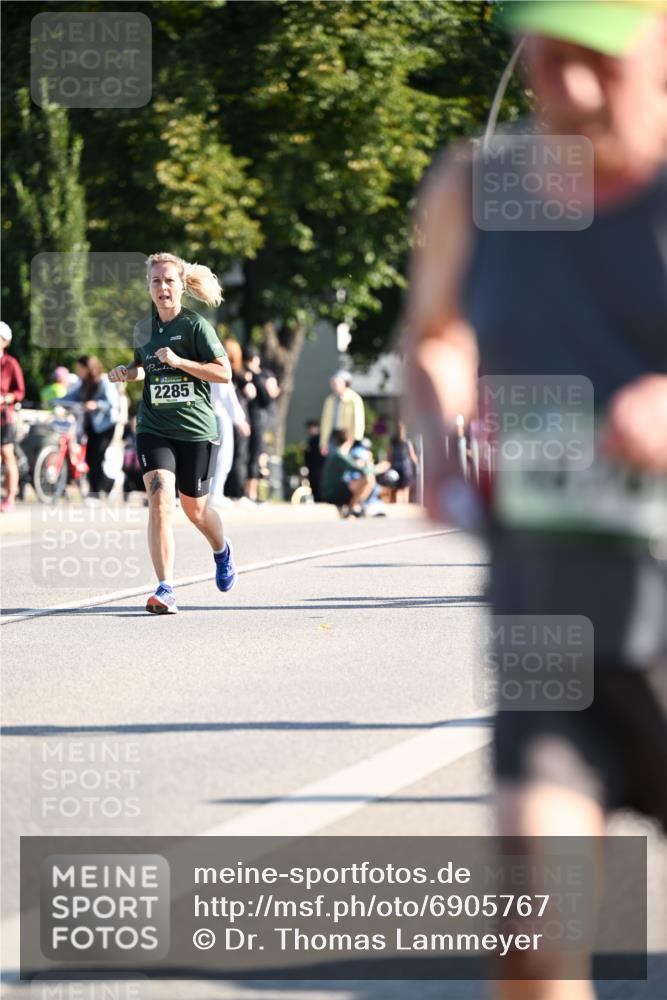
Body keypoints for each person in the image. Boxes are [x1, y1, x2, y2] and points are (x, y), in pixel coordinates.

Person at [406, 3, 667, 998]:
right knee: (529, 937)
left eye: (598, 62)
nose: (572, 90)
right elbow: (435, 332)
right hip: (552, 630)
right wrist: (440, 431)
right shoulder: (479, 189)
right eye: (547, 61)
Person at [109, 252, 236, 614]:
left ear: (181, 285)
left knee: (195, 511)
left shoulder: (196, 326)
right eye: (155, 281)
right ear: (148, 286)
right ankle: (165, 588)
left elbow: (224, 373)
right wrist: (125, 372)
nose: (162, 287)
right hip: (154, 427)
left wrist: (180, 362)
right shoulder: (142, 329)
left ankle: (221, 550)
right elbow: (143, 368)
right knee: (161, 498)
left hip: (195, 429)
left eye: (168, 280)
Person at [62, 355, 120, 497]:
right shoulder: (84, 383)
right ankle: (107, 484)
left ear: (88, 368)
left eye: (80, 368)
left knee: (97, 457)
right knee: (90, 458)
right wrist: (55, 401)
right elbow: (72, 397)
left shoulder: (104, 381)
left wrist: (96, 405)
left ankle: (95, 491)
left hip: (105, 426)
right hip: (92, 426)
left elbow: (112, 403)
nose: (78, 371)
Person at [243, 345, 280, 502]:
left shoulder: (265, 374)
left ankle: (253, 493)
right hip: (249, 418)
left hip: (261, 418)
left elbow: (273, 392)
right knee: (250, 455)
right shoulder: (244, 375)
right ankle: (248, 491)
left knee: (257, 454)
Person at [209, 376, 250, 505]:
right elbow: (225, 392)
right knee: (223, 455)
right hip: (219, 413)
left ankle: (212, 492)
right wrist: (239, 420)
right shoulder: (217, 361)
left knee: (212, 456)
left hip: (208, 413)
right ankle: (215, 492)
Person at [321, 427, 377, 516]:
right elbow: (361, 470)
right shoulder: (339, 455)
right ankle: (353, 506)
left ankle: (357, 505)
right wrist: (376, 467)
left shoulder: (341, 454)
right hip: (332, 493)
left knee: (368, 478)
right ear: (350, 440)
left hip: (336, 489)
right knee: (367, 478)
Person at [0, 321, 25, 513]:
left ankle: (10, 497)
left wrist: (6, 397)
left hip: (3, 415)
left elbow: (20, 391)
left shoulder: (11, 364)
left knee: (7, 453)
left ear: (5, 341)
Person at [319, 370, 365, 455]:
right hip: (334, 436)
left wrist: (350, 442)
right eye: (332, 383)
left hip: (348, 438)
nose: (333, 385)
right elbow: (325, 422)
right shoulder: (330, 400)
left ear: (345, 383)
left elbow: (358, 422)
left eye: (336, 383)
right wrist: (323, 443)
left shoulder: (354, 399)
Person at [387, 421, 417, 503]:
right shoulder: (394, 442)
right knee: (397, 489)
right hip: (399, 467)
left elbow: (412, 455)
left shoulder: (407, 442)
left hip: (405, 468)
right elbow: (389, 455)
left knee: (404, 488)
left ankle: (403, 506)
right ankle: (400, 506)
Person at [304, 418, 325, 502]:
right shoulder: (312, 439)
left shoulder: (319, 440)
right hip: (312, 468)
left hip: (318, 468)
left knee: (318, 486)